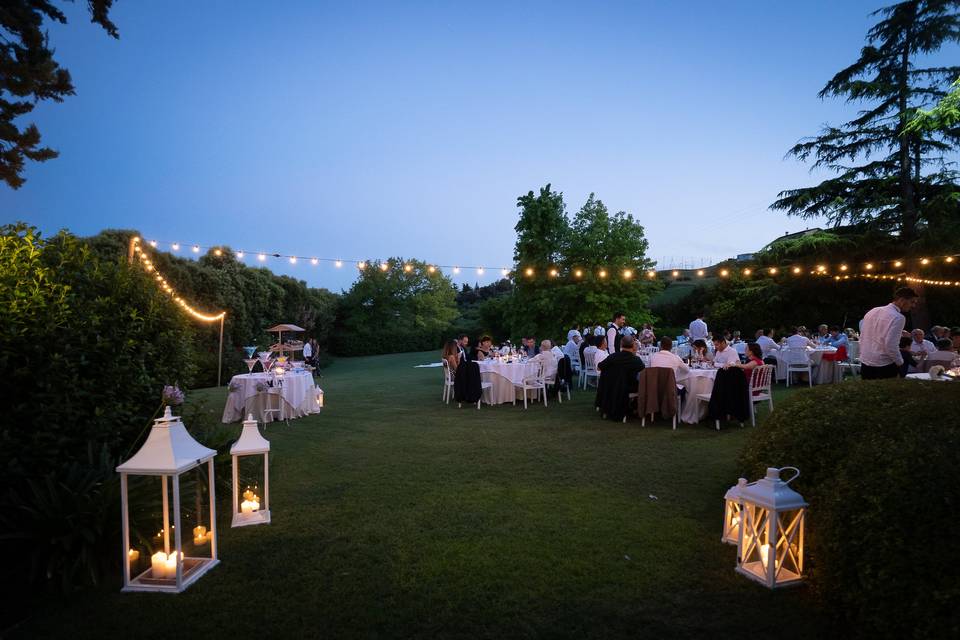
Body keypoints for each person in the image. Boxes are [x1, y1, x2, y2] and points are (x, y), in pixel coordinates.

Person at [859, 287, 919, 379]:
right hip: (884, 365)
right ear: (902, 300)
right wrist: (900, 362)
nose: (913, 306)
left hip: (865, 361)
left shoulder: (873, 311)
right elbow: (890, 344)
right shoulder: (898, 317)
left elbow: (865, 335)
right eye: (912, 302)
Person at [595, 334, 646, 421]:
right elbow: (644, 373)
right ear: (633, 345)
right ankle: (635, 407)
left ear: (621, 344)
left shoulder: (612, 357)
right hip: (628, 388)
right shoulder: (636, 360)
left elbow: (599, 367)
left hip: (611, 386)